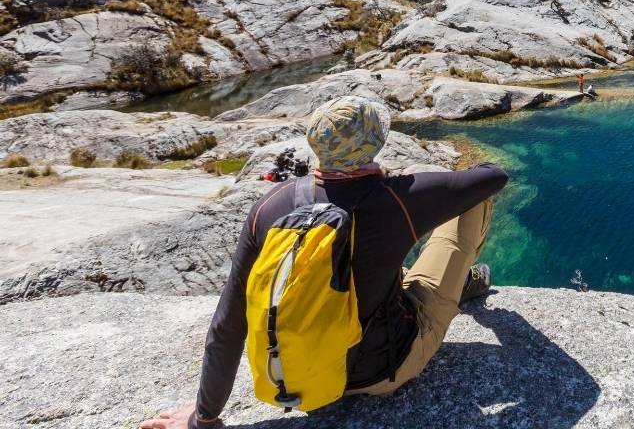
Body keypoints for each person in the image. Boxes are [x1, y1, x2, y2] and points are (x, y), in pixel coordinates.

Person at [139, 95, 508, 429]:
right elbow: (493, 177)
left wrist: (203, 417)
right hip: (386, 371)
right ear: (376, 144)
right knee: (470, 202)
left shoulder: (269, 207)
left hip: (303, 381)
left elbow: (228, 323)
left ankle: (452, 283)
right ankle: (457, 284)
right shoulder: (397, 200)